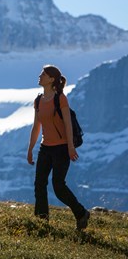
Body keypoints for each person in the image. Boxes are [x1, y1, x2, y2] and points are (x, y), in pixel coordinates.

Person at [27, 65, 90, 230]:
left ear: (51, 79)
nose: (40, 76)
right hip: (45, 148)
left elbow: (68, 125)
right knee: (39, 184)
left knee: (58, 186)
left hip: (61, 148)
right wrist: (30, 149)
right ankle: (42, 221)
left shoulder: (60, 99)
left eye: (43, 74)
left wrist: (71, 147)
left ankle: (81, 213)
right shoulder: (38, 100)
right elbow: (36, 127)